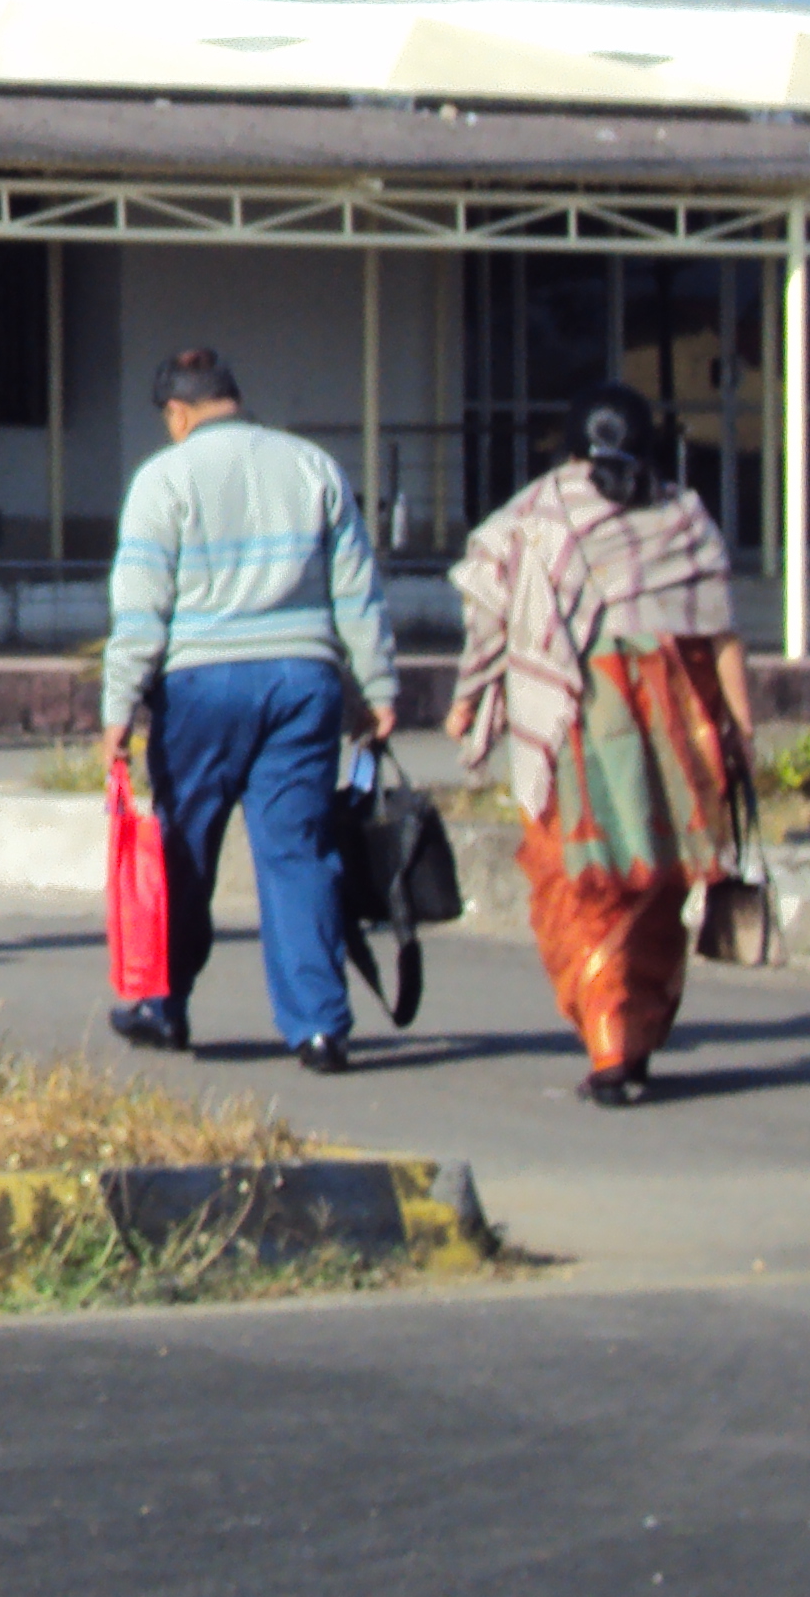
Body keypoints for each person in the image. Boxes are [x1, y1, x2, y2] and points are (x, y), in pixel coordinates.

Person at [450, 383, 749, 1107]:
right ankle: (632, 1040)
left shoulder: (538, 514)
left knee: (579, 882)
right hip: (675, 727)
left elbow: (491, 607)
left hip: (577, 719)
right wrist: (740, 729)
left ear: (571, 447)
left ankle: (609, 1044)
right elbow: (721, 635)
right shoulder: (683, 515)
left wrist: (468, 698)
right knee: (658, 882)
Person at [101, 347, 400, 1072]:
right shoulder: (312, 466)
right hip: (302, 681)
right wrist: (377, 687)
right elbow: (356, 590)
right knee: (299, 852)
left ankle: (163, 1006)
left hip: (200, 685)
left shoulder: (164, 479)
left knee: (185, 849)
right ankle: (319, 1027)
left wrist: (119, 705)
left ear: (178, 413)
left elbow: (141, 606)